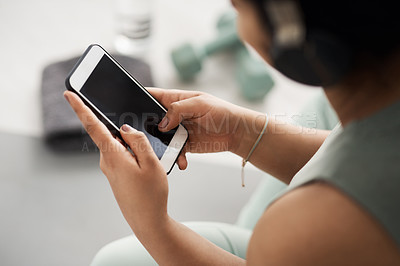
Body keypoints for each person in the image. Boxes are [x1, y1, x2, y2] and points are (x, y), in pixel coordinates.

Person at [64, 0, 400, 264]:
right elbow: (358, 155)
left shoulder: (301, 228)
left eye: (242, 4)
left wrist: (153, 225)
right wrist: (239, 134)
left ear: (294, 39)